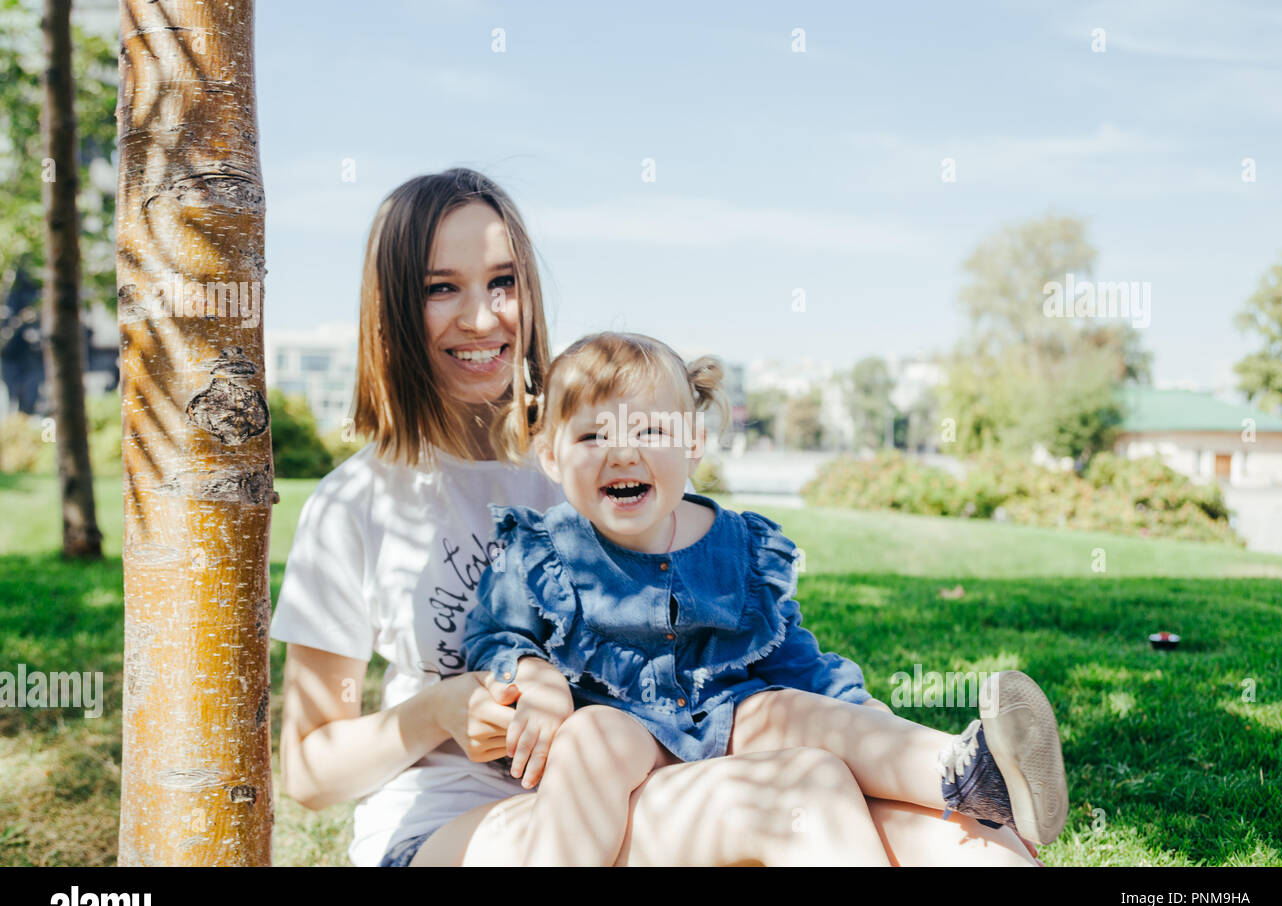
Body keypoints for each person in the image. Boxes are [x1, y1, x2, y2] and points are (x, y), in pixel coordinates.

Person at [273, 167, 1044, 866]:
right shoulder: (359, 504)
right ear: (397, 312)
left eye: (502, 281)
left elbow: (729, 630)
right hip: (460, 826)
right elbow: (307, 771)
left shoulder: (586, 455)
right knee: (802, 796)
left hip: (649, 771)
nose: (481, 317)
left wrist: (864, 728)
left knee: (964, 840)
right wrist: (440, 708)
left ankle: (972, 779)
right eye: (442, 288)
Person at [461, 331, 1070, 865]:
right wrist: (534, 675)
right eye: (593, 434)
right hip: (628, 741)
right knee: (592, 734)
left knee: (790, 709)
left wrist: (862, 716)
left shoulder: (737, 546)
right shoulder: (542, 548)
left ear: (693, 443)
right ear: (550, 456)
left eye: (650, 430)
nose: (623, 451)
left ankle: (968, 773)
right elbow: (493, 634)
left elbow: (794, 659)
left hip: (728, 722)